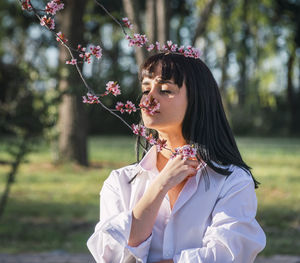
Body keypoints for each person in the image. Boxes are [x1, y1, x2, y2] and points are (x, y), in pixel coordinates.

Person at [87, 52, 266, 263]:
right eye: (145, 89)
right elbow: (111, 255)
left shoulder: (232, 181)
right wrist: (160, 185)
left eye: (165, 90)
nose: (149, 98)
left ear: (197, 100)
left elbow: (228, 255)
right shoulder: (120, 182)